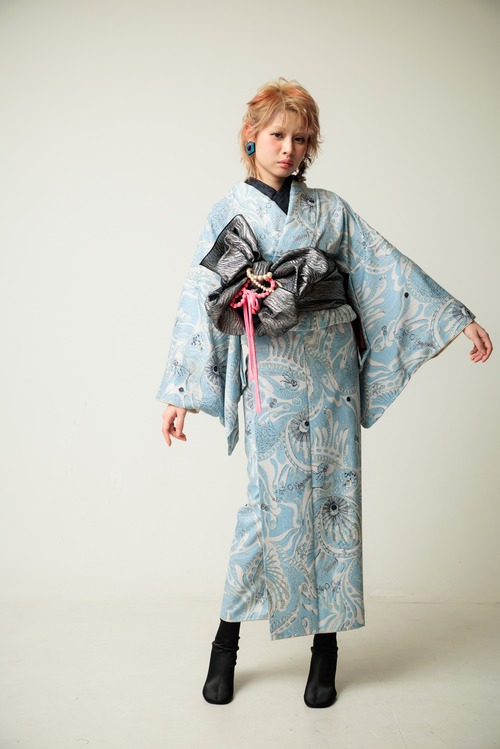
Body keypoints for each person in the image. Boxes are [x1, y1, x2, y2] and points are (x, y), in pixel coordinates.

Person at [157, 78, 492, 708]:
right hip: (272, 375)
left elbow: (385, 268)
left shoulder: (331, 211)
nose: (288, 148)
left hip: (331, 374)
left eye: (300, 138)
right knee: (264, 509)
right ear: (251, 136)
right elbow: (199, 301)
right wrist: (180, 392)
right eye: (277, 135)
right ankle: (226, 645)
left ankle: (325, 651)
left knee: (336, 503)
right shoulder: (227, 211)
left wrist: (454, 318)